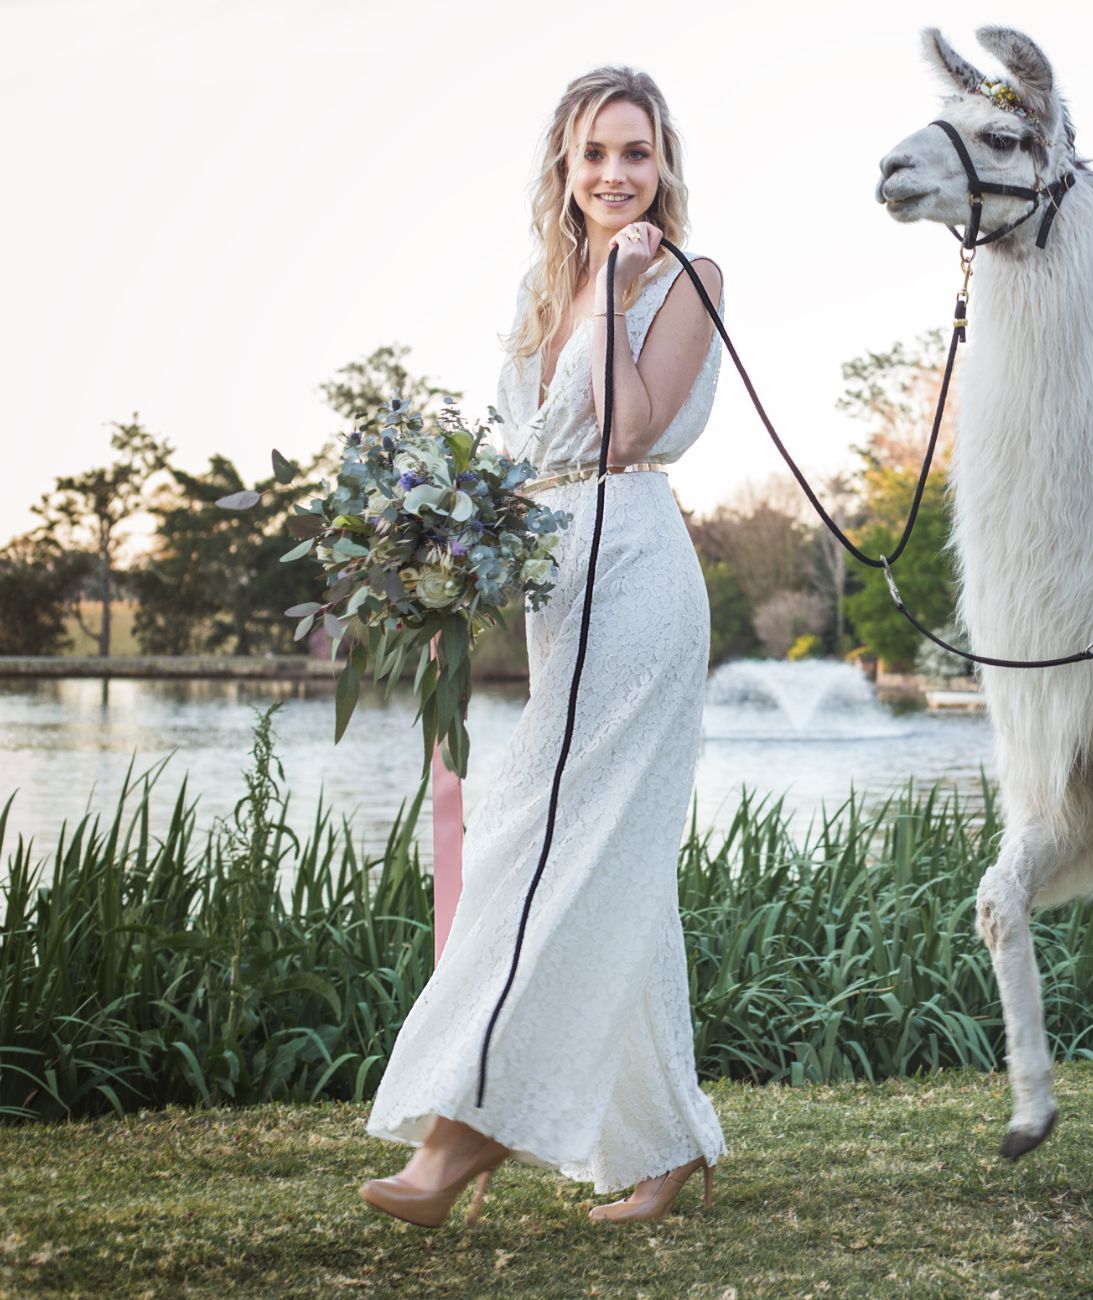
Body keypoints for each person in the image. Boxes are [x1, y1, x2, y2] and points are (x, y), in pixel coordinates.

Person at [359, 64, 726, 1228]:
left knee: (547, 843)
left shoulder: (682, 277)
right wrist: (439, 553)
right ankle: (667, 1147)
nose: (617, 175)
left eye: (637, 153)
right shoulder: (538, 285)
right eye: (595, 155)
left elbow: (624, 433)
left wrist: (621, 293)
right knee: (612, 863)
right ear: (563, 172)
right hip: (553, 592)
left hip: (637, 577)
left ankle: (459, 1135)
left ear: (664, 166)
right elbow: (523, 459)